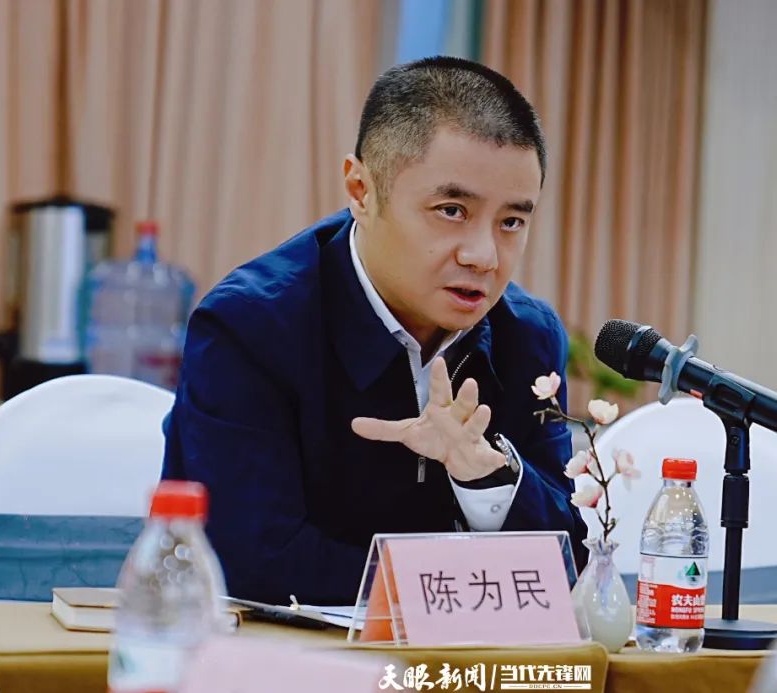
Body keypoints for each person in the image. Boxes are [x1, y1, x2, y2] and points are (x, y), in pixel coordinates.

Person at [162, 56, 587, 605]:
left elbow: (566, 563)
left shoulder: (527, 336)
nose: (484, 256)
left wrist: (490, 479)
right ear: (361, 190)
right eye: (452, 210)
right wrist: (449, 591)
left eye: (511, 222)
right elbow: (248, 559)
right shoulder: (251, 327)